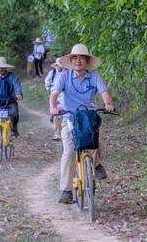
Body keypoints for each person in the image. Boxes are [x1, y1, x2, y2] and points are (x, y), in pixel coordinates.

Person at [49, 44, 115, 204]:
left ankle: (97, 164)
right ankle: (66, 190)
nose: (78, 61)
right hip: (70, 119)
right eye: (75, 58)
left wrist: (108, 103)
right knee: (69, 152)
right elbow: (55, 93)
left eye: (82, 58)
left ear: (87, 61)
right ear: (71, 61)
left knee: (97, 144)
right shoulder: (63, 77)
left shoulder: (95, 77)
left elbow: (104, 92)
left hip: (90, 117)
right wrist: (54, 107)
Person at [45, 58, 66, 141]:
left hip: (64, 96)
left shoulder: (67, 73)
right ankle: (57, 133)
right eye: (58, 65)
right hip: (54, 95)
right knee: (55, 113)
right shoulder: (53, 72)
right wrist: (48, 85)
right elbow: (47, 80)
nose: (59, 67)